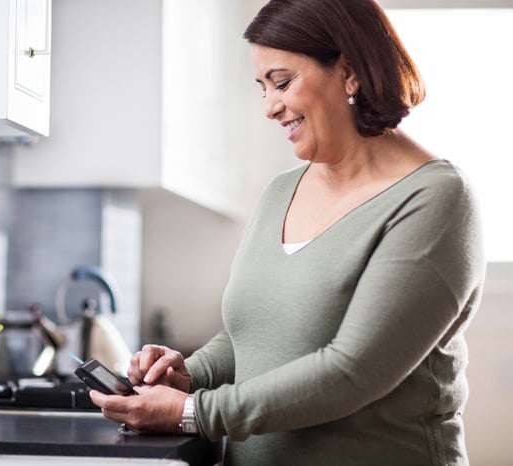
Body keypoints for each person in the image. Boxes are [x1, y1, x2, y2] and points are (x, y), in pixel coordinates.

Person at [89, 0, 486, 464]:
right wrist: (188, 375)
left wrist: (192, 411)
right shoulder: (282, 191)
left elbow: (352, 373)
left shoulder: (435, 198)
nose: (270, 107)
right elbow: (254, 335)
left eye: (282, 82)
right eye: (262, 88)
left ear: (351, 71)